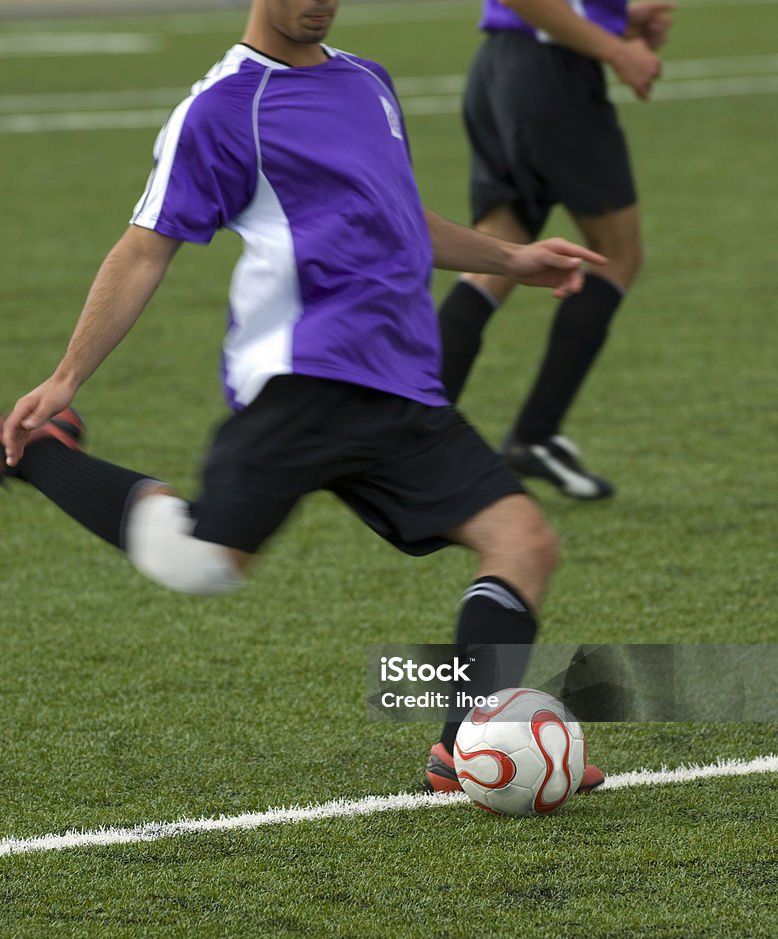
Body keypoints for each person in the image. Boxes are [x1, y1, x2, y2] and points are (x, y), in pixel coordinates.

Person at [1, 0, 606, 793]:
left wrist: (511, 257)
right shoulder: (222, 107)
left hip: (400, 386)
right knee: (202, 564)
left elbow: (398, 217)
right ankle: (41, 456)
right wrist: (66, 377)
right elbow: (146, 247)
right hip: (305, 380)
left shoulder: (367, 83)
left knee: (525, 543)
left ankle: (463, 746)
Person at [439, 0, 674, 499]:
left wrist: (617, 17)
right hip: (550, 72)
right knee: (617, 254)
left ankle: (410, 434)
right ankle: (534, 434)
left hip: (499, 68)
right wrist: (617, 48)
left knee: (494, 259)